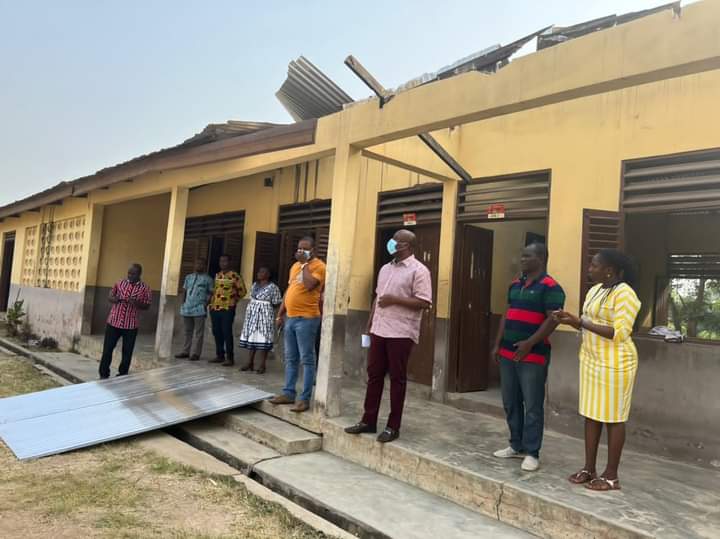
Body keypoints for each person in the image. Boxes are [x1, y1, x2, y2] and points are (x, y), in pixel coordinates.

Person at [553, 249, 641, 492]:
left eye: (594, 266)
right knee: (591, 415)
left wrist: (580, 322)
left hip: (616, 363)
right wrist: (572, 322)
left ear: (609, 270)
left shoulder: (626, 294)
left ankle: (611, 476)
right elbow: (588, 326)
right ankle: (589, 469)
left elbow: (620, 332)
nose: (590, 269)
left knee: (614, 418)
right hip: (591, 360)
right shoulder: (594, 291)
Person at [345, 229, 432, 443]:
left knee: (397, 379)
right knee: (374, 375)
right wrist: (369, 323)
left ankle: (393, 426)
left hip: (401, 332)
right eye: (392, 239)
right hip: (379, 329)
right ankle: (368, 421)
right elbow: (378, 298)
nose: (391, 243)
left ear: (407, 246)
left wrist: (395, 300)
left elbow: (424, 302)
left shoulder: (419, 271)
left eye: (396, 241)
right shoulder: (385, 268)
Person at [490, 243, 565, 472]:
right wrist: (497, 344)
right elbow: (507, 314)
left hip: (533, 355)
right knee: (510, 401)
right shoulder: (515, 284)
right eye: (522, 255)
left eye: (527, 256)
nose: (522, 259)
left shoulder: (551, 287)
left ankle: (532, 452)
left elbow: (552, 320)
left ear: (540, 258)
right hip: (507, 353)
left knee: (532, 405)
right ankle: (516, 445)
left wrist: (530, 343)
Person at [269, 236, 326, 413]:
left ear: (313, 250)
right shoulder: (294, 266)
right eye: (299, 248)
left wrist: (304, 265)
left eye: (305, 249)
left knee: (307, 359)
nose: (300, 251)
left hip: (307, 319)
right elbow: (290, 290)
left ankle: (304, 398)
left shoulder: (319, 266)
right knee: (290, 358)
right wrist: (280, 314)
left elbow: (310, 285)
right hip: (291, 318)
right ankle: (288, 393)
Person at [99, 263, 152, 379]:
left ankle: (122, 374)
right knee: (107, 349)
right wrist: (114, 299)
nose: (130, 276)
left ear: (139, 274)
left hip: (131, 325)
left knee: (127, 352)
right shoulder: (120, 283)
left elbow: (147, 305)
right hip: (114, 322)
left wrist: (136, 303)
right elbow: (110, 296)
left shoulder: (145, 288)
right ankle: (103, 374)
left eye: (133, 274)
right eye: (129, 273)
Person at [239, 267, 282, 374]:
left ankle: (262, 364)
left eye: (262, 272)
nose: (259, 273)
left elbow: (277, 302)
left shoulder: (273, 287)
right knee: (252, 337)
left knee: (263, 338)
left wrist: (266, 308)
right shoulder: (255, 285)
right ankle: (249, 362)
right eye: (259, 271)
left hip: (265, 315)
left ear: (268, 274)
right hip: (252, 314)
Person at [208, 254, 246, 367]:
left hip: (228, 309)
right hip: (215, 307)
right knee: (216, 331)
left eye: (225, 261)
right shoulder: (217, 275)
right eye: (221, 261)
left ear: (230, 262)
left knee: (226, 332)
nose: (222, 263)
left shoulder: (235, 276)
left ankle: (230, 358)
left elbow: (242, 291)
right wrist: (211, 303)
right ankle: (220, 355)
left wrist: (233, 301)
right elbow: (214, 291)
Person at [175, 258, 213, 361]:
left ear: (204, 266)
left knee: (199, 333)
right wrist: (183, 304)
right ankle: (185, 351)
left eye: (201, 264)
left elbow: (210, 293)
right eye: (197, 263)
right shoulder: (188, 277)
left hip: (199, 309)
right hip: (187, 308)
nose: (199, 265)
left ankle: (196, 353)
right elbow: (184, 291)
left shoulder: (208, 279)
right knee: (187, 331)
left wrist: (205, 305)